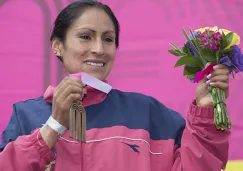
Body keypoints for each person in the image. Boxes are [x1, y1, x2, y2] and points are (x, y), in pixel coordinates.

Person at [0, 0, 231, 171]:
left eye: (108, 39)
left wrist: (206, 112)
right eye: (85, 36)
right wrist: (54, 126)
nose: (99, 49)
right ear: (57, 46)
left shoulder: (148, 113)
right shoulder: (25, 116)